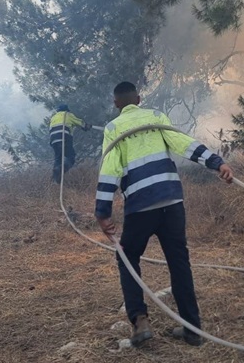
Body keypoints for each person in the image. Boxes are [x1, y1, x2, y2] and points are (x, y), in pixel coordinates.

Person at [95, 82, 233, 348]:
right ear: (139, 98)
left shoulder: (114, 128)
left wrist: (102, 212)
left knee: (128, 258)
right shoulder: (156, 117)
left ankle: (140, 321)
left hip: (140, 207)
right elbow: (184, 143)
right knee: (179, 262)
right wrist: (218, 162)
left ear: (116, 104)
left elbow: (110, 169)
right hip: (172, 203)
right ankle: (193, 330)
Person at [49, 103, 90, 183]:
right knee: (71, 157)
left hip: (53, 140)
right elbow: (80, 123)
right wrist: (86, 126)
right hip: (64, 138)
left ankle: (54, 179)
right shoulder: (67, 115)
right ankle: (60, 169)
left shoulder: (54, 117)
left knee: (58, 159)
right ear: (66, 110)